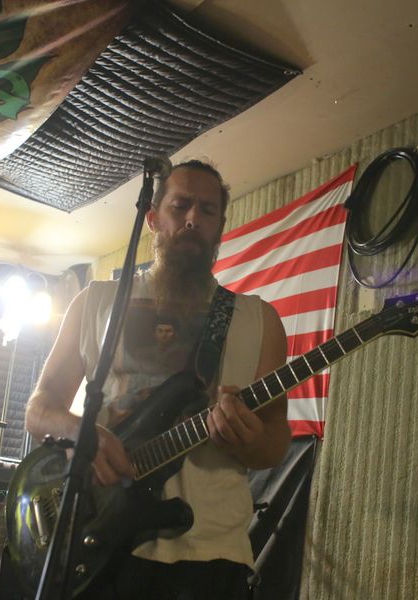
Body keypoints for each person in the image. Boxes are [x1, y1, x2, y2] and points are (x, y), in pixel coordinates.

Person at [24, 160, 291, 600]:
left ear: (220, 228)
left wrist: (247, 438)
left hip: (210, 554)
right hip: (95, 540)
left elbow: (275, 442)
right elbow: (38, 410)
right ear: (152, 218)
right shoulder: (95, 302)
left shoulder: (258, 319)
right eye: (180, 205)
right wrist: (80, 431)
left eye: (208, 210)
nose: (193, 218)